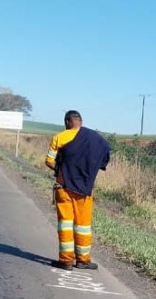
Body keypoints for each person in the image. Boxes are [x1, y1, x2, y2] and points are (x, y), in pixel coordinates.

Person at [45, 110, 111, 271]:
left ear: (68, 121)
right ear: (80, 122)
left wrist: (61, 171)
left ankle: (66, 261)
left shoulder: (59, 138)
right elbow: (105, 158)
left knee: (66, 225)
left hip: (64, 187)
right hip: (85, 190)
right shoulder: (97, 139)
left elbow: (49, 161)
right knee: (83, 226)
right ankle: (83, 260)